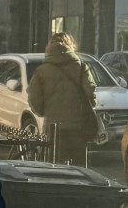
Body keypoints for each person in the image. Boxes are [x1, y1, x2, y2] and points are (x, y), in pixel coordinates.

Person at [28, 32, 98, 166]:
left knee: (54, 165)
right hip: (78, 126)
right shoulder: (80, 66)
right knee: (79, 168)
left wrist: (44, 112)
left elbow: (34, 97)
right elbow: (91, 93)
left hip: (53, 127)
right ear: (70, 45)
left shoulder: (41, 70)